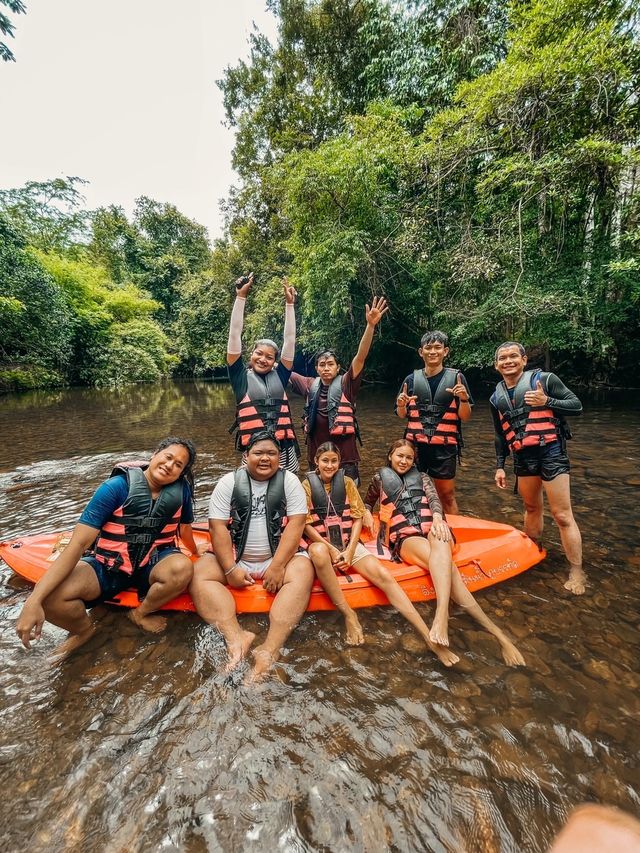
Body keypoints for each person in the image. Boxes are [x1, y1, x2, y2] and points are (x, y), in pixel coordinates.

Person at [15, 437, 199, 661]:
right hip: (108, 566)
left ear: (181, 473)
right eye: (168, 457)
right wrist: (33, 600)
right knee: (51, 598)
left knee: (183, 568)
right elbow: (78, 544)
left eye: (178, 464)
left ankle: (139, 614)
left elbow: (186, 530)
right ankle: (84, 630)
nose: (170, 465)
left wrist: (196, 553)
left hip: (153, 563)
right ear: (154, 454)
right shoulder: (116, 488)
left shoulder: (182, 493)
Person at [363, 439, 525, 665]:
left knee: (439, 537)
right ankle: (499, 635)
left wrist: (438, 518)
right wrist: (366, 514)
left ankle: (441, 617)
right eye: (400, 455)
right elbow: (367, 503)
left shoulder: (423, 477)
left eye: (409, 457)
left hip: (435, 532)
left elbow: (434, 500)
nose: (404, 461)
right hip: (407, 539)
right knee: (447, 567)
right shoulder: (380, 479)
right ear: (390, 456)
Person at [303, 442, 460, 667]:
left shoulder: (347, 483)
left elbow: (357, 516)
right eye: (325, 460)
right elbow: (304, 523)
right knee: (317, 552)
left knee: (385, 577)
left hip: (349, 545)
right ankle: (349, 615)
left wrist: (349, 550)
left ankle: (429, 637)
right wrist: (330, 548)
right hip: (324, 546)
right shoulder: (305, 486)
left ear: (340, 463)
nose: (330, 465)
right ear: (316, 462)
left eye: (334, 461)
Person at [190, 431, 313, 681]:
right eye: (258, 453)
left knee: (303, 571)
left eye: (271, 453)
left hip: (277, 558)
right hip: (238, 558)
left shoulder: (290, 481)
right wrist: (229, 570)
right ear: (246, 457)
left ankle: (269, 649)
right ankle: (236, 638)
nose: (265, 458)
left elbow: (297, 524)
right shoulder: (228, 482)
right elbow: (217, 527)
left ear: (280, 457)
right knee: (199, 572)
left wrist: (278, 567)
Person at [491, 341, 585, 595]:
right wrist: (500, 466)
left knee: (562, 515)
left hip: (550, 450)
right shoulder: (496, 396)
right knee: (531, 508)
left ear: (523, 359)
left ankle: (576, 571)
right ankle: (532, 553)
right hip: (522, 456)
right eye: (502, 358)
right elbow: (501, 435)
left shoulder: (545, 380)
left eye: (513, 356)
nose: (508, 361)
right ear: (496, 365)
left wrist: (548, 401)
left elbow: (576, 406)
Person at [289, 297, 388, 484]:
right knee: (319, 500)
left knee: (347, 501)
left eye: (330, 364)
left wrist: (370, 326)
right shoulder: (309, 384)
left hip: (345, 458)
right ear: (317, 369)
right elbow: (284, 371)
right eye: (322, 365)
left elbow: (360, 357)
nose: (326, 368)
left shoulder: (346, 384)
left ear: (338, 367)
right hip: (316, 457)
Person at [227, 272, 300, 472]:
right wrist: (241, 297)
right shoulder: (239, 377)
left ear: (275, 361)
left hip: (284, 452)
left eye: (270, 357)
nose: (263, 359)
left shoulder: (281, 374)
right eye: (259, 354)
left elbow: (290, 339)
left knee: (287, 494)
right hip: (254, 452)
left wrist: (289, 304)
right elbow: (234, 333)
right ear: (251, 355)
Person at [395, 330, 472, 514]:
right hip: (415, 447)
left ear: (445, 351)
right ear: (421, 352)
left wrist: (464, 399)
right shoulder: (411, 380)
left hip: (444, 448)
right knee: (413, 491)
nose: (433, 352)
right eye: (428, 348)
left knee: (446, 494)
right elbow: (401, 415)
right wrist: (401, 405)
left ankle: (452, 532)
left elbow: (465, 416)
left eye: (438, 347)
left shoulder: (457, 379)